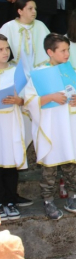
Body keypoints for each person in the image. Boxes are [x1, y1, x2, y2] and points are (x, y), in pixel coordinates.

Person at [25, 34, 76, 219]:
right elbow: (29, 100)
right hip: (51, 125)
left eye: (68, 49)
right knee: (50, 166)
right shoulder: (39, 74)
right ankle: (48, 200)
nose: (67, 53)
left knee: (70, 163)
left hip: (69, 125)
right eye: (62, 50)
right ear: (50, 52)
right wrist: (51, 97)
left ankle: (73, 196)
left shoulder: (70, 71)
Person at [0, 35, 29, 221]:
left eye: (6, 49)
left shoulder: (16, 71)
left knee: (10, 161)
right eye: (0, 50)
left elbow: (28, 98)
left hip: (11, 121)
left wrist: (19, 100)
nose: (4, 53)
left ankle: (10, 200)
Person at [0, 0, 50, 76]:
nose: (34, 11)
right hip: (15, 71)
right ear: (20, 11)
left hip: (38, 70)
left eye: (35, 8)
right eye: (30, 9)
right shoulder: (9, 26)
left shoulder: (40, 25)